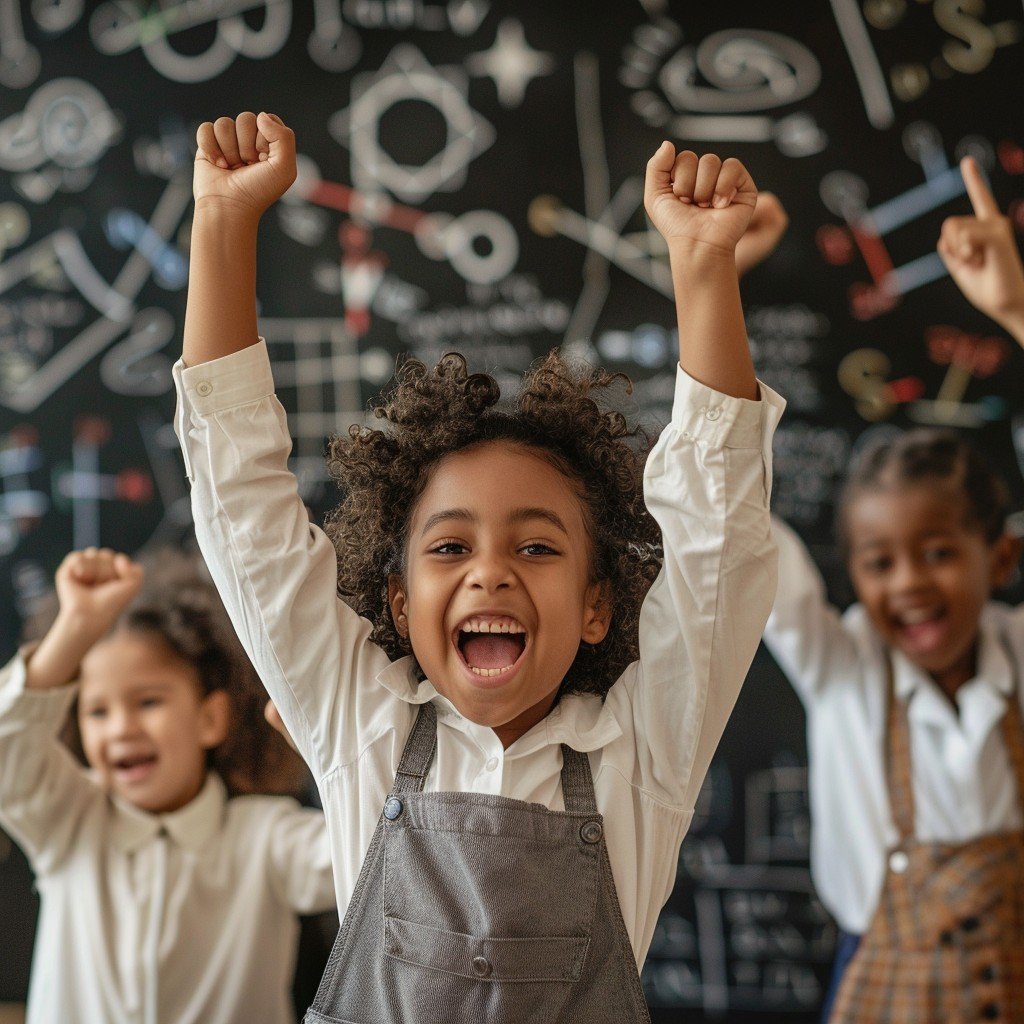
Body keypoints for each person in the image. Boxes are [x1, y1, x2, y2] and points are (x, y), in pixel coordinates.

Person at [173, 110, 784, 1021]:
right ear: (396, 598)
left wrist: (703, 269)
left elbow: (718, 545)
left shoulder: (643, 754)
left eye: (536, 547)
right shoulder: (358, 730)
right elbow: (244, 517)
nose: (490, 572)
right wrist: (221, 221)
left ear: (596, 606)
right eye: (450, 547)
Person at [762, 155, 1024, 1023]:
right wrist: (714, 284)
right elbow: (730, 523)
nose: (908, 582)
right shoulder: (841, 666)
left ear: (1003, 558)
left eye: (939, 551)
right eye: (878, 562)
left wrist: (1017, 310)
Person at [0, 546, 336, 1024]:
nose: (120, 729)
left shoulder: (264, 838)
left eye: (148, 701)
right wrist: (76, 627)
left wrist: (328, 754)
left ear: (210, 718)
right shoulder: (67, 820)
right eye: (98, 711)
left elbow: (369, 854)